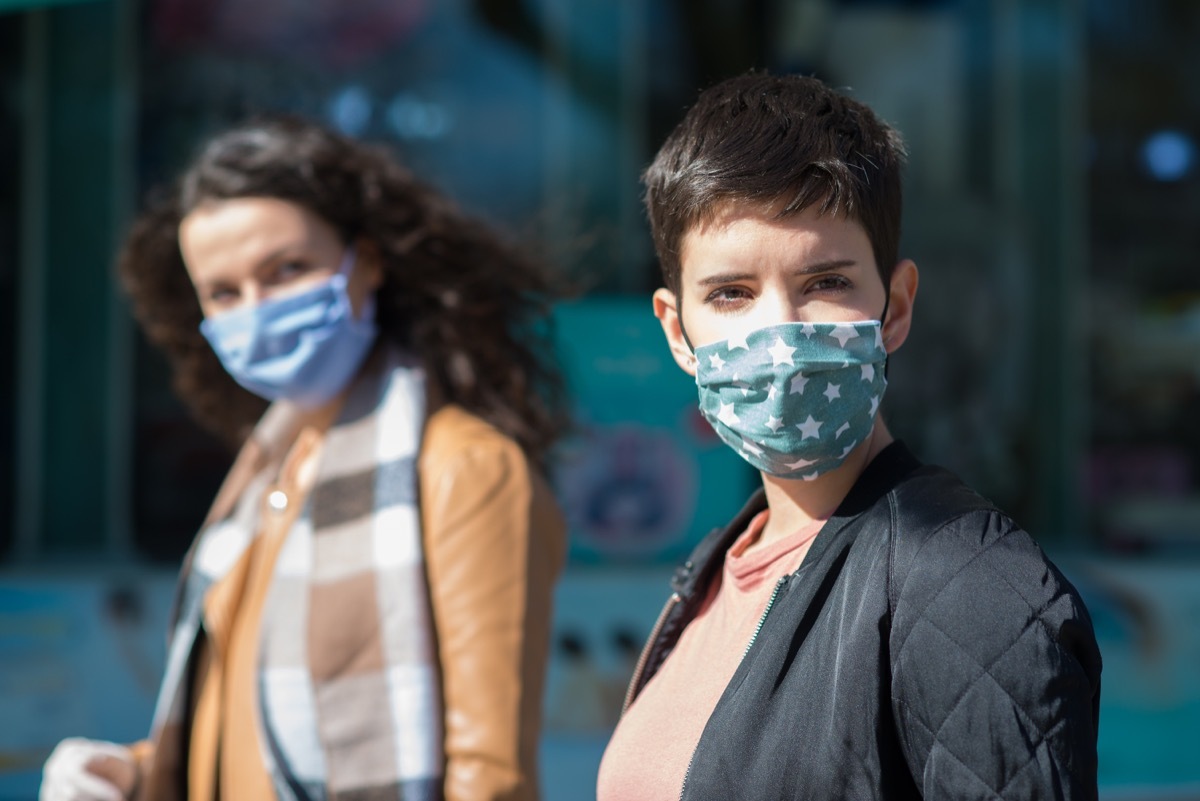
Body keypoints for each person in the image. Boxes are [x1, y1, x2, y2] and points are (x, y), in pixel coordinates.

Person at [597, 73, 1103, 800]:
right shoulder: (714, 572)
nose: (782, 331)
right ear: (678, 331)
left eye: (826, 282)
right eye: (731, 293)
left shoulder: (971, 588)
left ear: (894, 307)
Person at [40, 116, 569, 801]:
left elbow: (487, 776)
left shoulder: (465, 468)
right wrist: (136, 772)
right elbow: (246, 733)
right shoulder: (265, 468)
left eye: (286, 270)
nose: (255, 310)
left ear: (369, 263)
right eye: (224, 293)